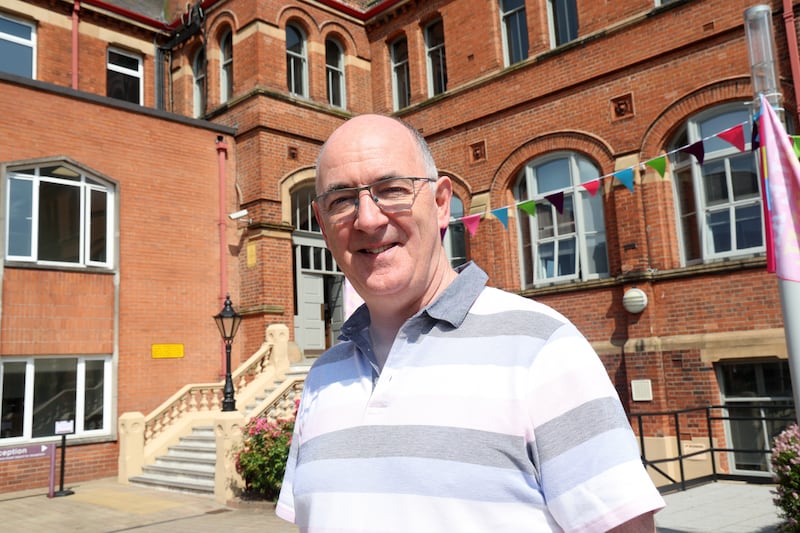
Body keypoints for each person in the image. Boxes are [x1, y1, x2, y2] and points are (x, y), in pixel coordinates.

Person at [276, 114, 665, 532]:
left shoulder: (541, 347)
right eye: (342, 200)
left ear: (442, 204)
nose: (368, 219)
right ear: (322, 224)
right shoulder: (323, 376)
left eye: (391, 190)